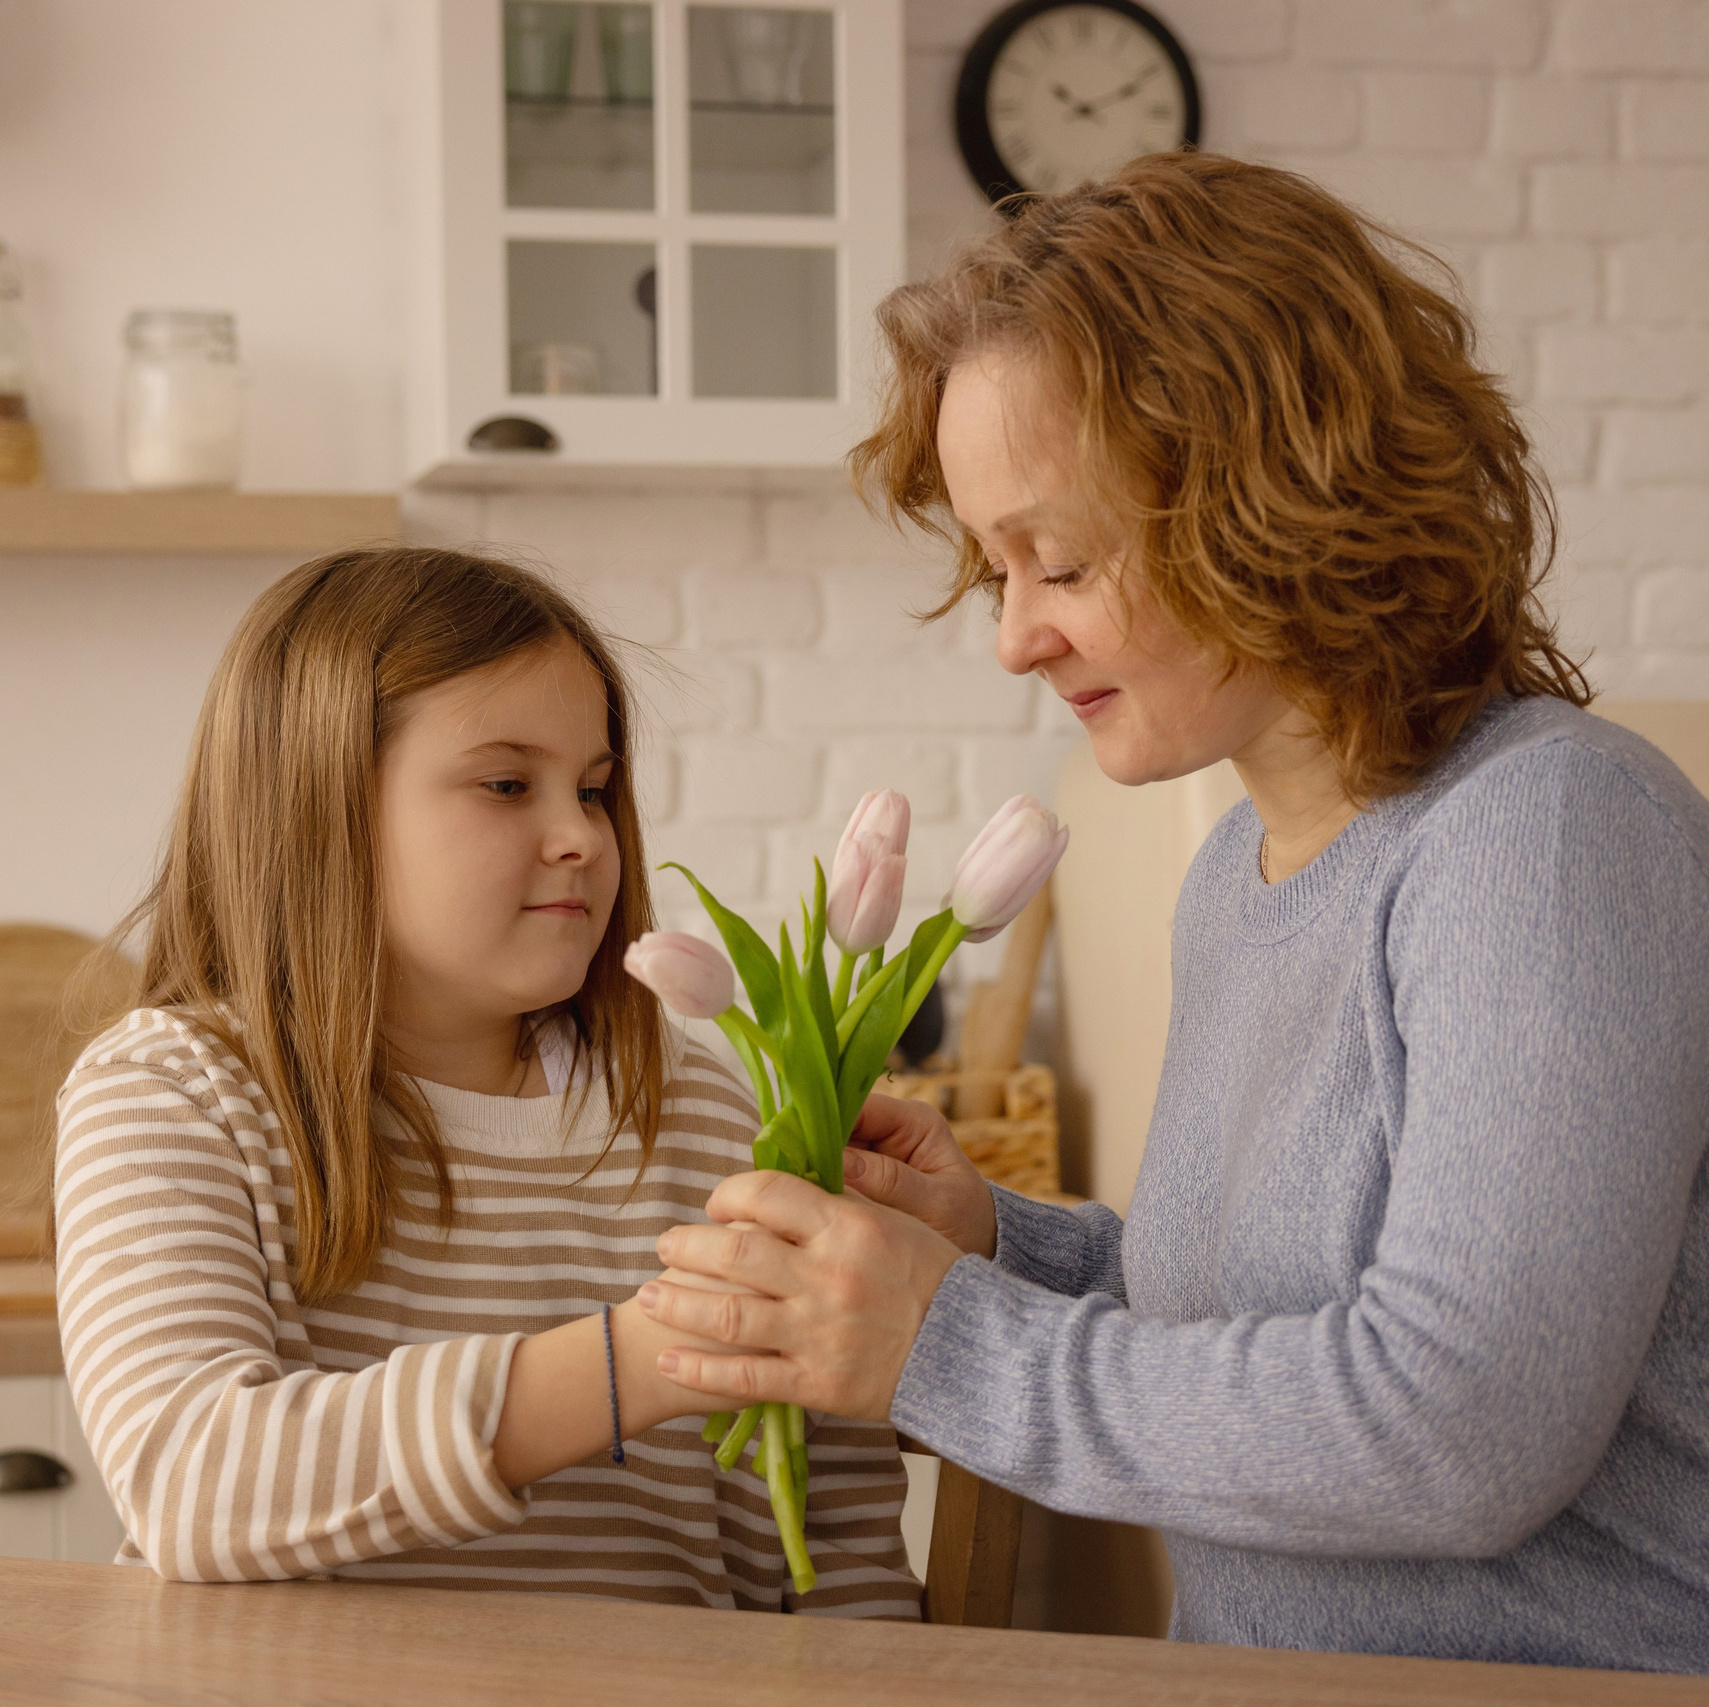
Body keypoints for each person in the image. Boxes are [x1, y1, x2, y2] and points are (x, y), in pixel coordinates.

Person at [636, 154, 1709, 1671]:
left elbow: (1458, 1430)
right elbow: (1261, 1314)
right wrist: (996, 1244)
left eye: (1056, 558)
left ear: (1271, 494)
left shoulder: (1544, 836)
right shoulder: (1240, 871)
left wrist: (937, 1339)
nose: (1012, 633)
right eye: (993, 566)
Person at [54, 547, 917, 1615]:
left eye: (594, 789)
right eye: (507, 784)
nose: (580, 839)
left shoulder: (708, 1116)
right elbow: (193, 1481)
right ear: (316, 807)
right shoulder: (172, 1098)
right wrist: (635, 1361)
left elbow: (837, 1556)